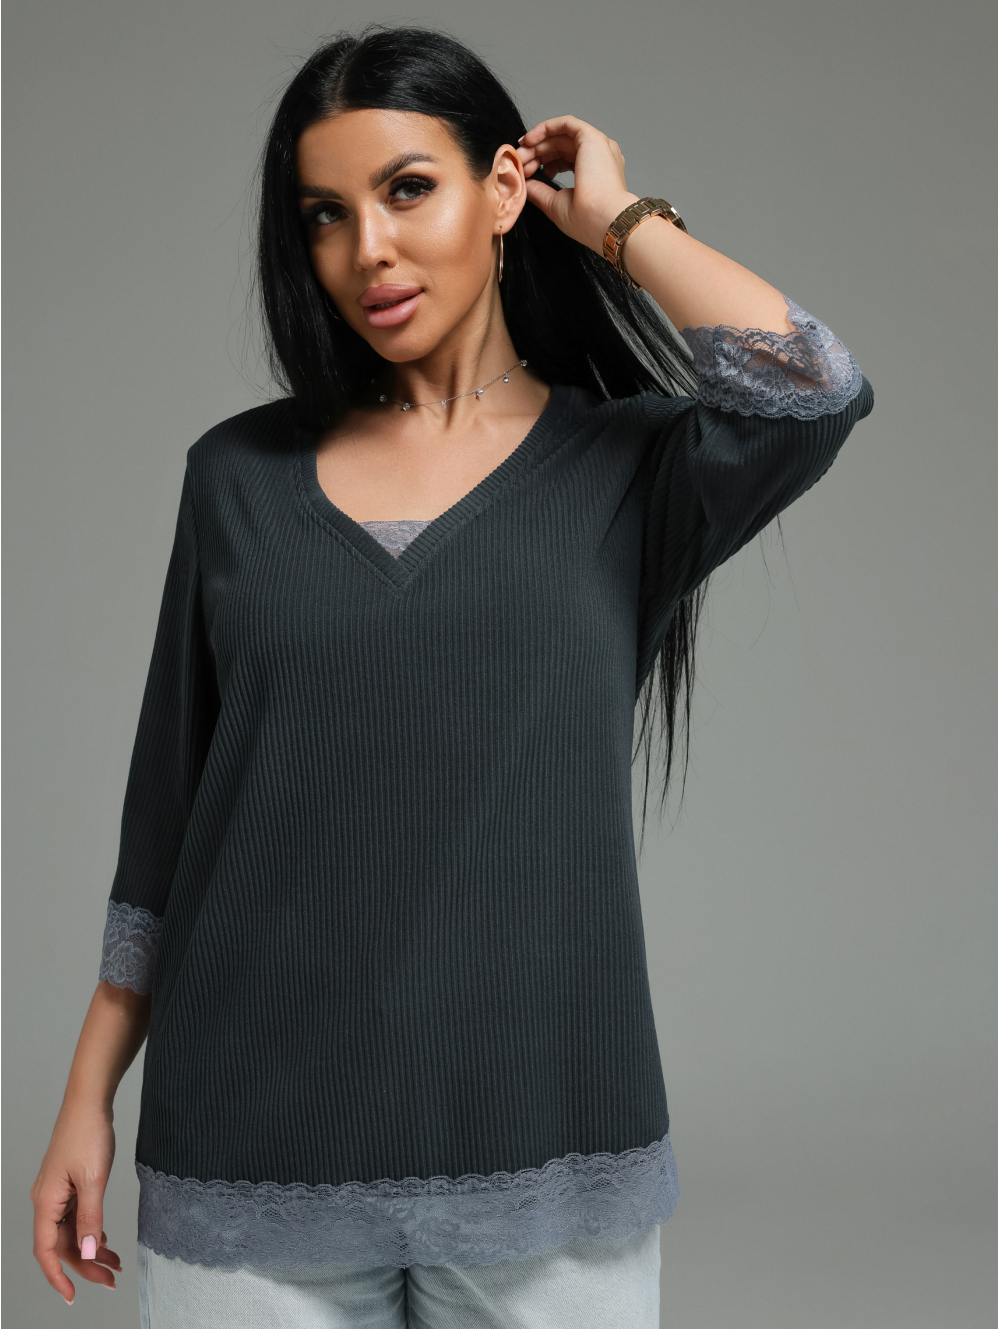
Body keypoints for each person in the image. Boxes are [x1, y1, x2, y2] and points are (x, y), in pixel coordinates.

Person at [29, 23, 873, 1330]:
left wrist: (619, 222)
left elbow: (814, 387)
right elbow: (168, 819)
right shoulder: (235, 480)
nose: (366, 247)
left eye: (408, 189)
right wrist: (88, 1095)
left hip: (550, 1154)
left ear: (502, 190)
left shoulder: (627, 471)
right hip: (251, 1160)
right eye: (326, 214)